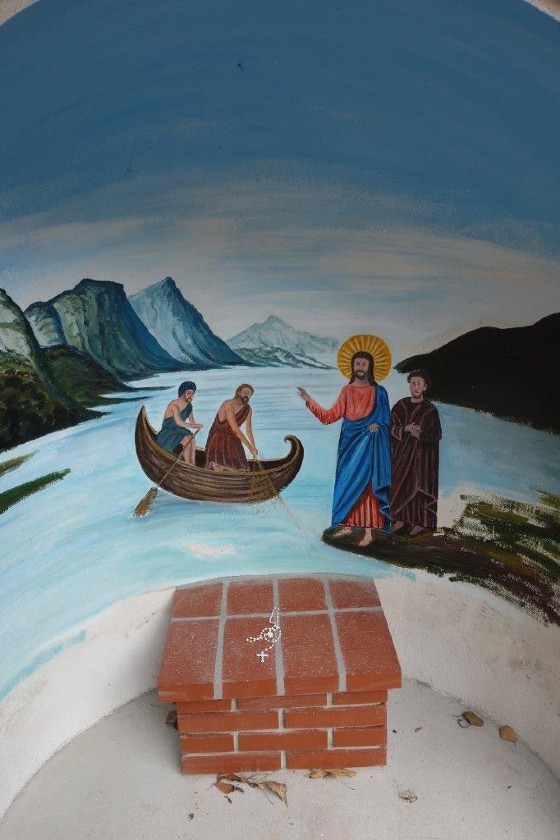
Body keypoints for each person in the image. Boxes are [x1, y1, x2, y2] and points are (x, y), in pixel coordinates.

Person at [298, 349, 391, 547]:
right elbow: (329, 417)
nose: (360, 368)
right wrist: (309, 401)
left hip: (370, 446)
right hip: (349, 445)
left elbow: (386, 421)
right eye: (357, 364)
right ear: (352, 366)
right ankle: (347, 524)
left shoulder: (379, 392)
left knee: (367, 485)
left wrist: (377, 426)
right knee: (346, 482)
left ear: (370, 367)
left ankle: (369, 530)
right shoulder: (347, 391)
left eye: (364, 364)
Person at [390, 369, 442, 536]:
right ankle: (400, 519)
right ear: (409, 385)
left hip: (423, 458)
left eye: (419, 384)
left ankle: (421, 522)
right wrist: (405, 429)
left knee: (419, 487)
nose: (416, 386)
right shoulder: (400, 406)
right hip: (402, 457)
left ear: (425, 387)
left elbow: (436, 434)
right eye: (413, 383)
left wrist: (419, 434)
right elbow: (390, 427)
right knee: (401, 486)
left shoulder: (430, 410)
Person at [205, 384, 258, 471]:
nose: (247, 395)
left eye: (249, 393)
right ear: (239, 393)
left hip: (234, 439)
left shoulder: (248, 409)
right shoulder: (229, 405)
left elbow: (248, 429)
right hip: (218, 439)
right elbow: (235, 429)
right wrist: (249, 446)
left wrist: (253, 445)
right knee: (219, 467)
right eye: (245, 392)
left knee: (241, 468)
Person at [156, 381, 203, 464]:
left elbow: (192, 421)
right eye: (188, 393)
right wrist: (195, 425)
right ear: (183, 393)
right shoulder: (175, 405)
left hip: (179, 430)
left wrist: (197, 425)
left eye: (192, 393)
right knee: (186, 441)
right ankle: (187, 463)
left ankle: (193, 464)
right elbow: (179, 422)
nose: (191, 396)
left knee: (192, 439)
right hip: (168, 431)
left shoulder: (189, 406)